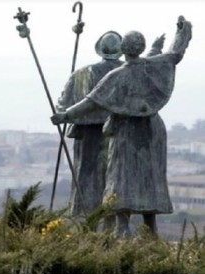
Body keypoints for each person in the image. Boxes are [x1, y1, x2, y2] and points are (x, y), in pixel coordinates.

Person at [51, 16, 192, 238]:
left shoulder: (117, 75)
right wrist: (182, 32)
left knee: (122, 176)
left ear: (123, 50)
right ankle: (150, 229)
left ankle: (122, 227)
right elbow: (176, 54)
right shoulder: (153, 65)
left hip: (126, 129)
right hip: (151, 128)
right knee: (150, 177)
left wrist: (65, 115)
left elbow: (91, 102)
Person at [57, 31, 123, 226]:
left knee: (86, 181)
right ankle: (112, 227)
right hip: (120, 135)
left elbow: (62, 107)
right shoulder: (128, 73)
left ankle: (88, 226)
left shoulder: (81, 75)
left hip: (88, 138)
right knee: (115, 181)